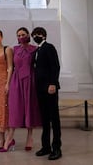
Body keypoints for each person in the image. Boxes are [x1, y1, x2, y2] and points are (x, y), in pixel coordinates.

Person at [0, 27, 41, 152]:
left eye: (23, 34)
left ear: (28, 35)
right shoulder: (14, 49)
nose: (21, 36)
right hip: (16, 81)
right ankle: (9, 139)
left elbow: (37, 66)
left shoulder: (35, 49)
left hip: (30, 81)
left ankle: (30, 138)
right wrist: (7, 83)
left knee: (29, 108)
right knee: (15, 109)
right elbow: (10, 67)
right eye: (19, 35)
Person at [31, 27, 62, 160]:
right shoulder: (37, 50)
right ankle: (46, 147)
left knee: (54, 118)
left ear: (44, 35)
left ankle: (56, 148)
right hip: (40, 88)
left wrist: (53, 83)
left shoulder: (49, 47)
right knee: (44, 119)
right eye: (34, 35)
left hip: (50, 88)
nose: (36, 36)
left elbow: (55, 66)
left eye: (38, 34)